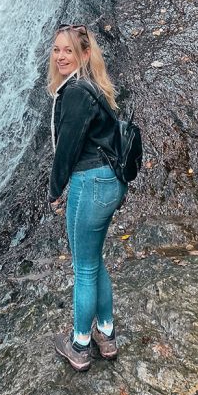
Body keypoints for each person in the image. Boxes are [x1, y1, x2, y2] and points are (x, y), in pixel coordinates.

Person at [48, 23, 127, 372]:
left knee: (83, 266)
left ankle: (79, 344)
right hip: (110, 182)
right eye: (56, 50)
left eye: (68, 50)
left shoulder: (77, 92)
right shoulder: (94, 87)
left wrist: (55, 190)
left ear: (83, 54)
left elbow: (67, 149)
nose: (61, 56)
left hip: (90, 183)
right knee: (95, 259)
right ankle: (105, 333)